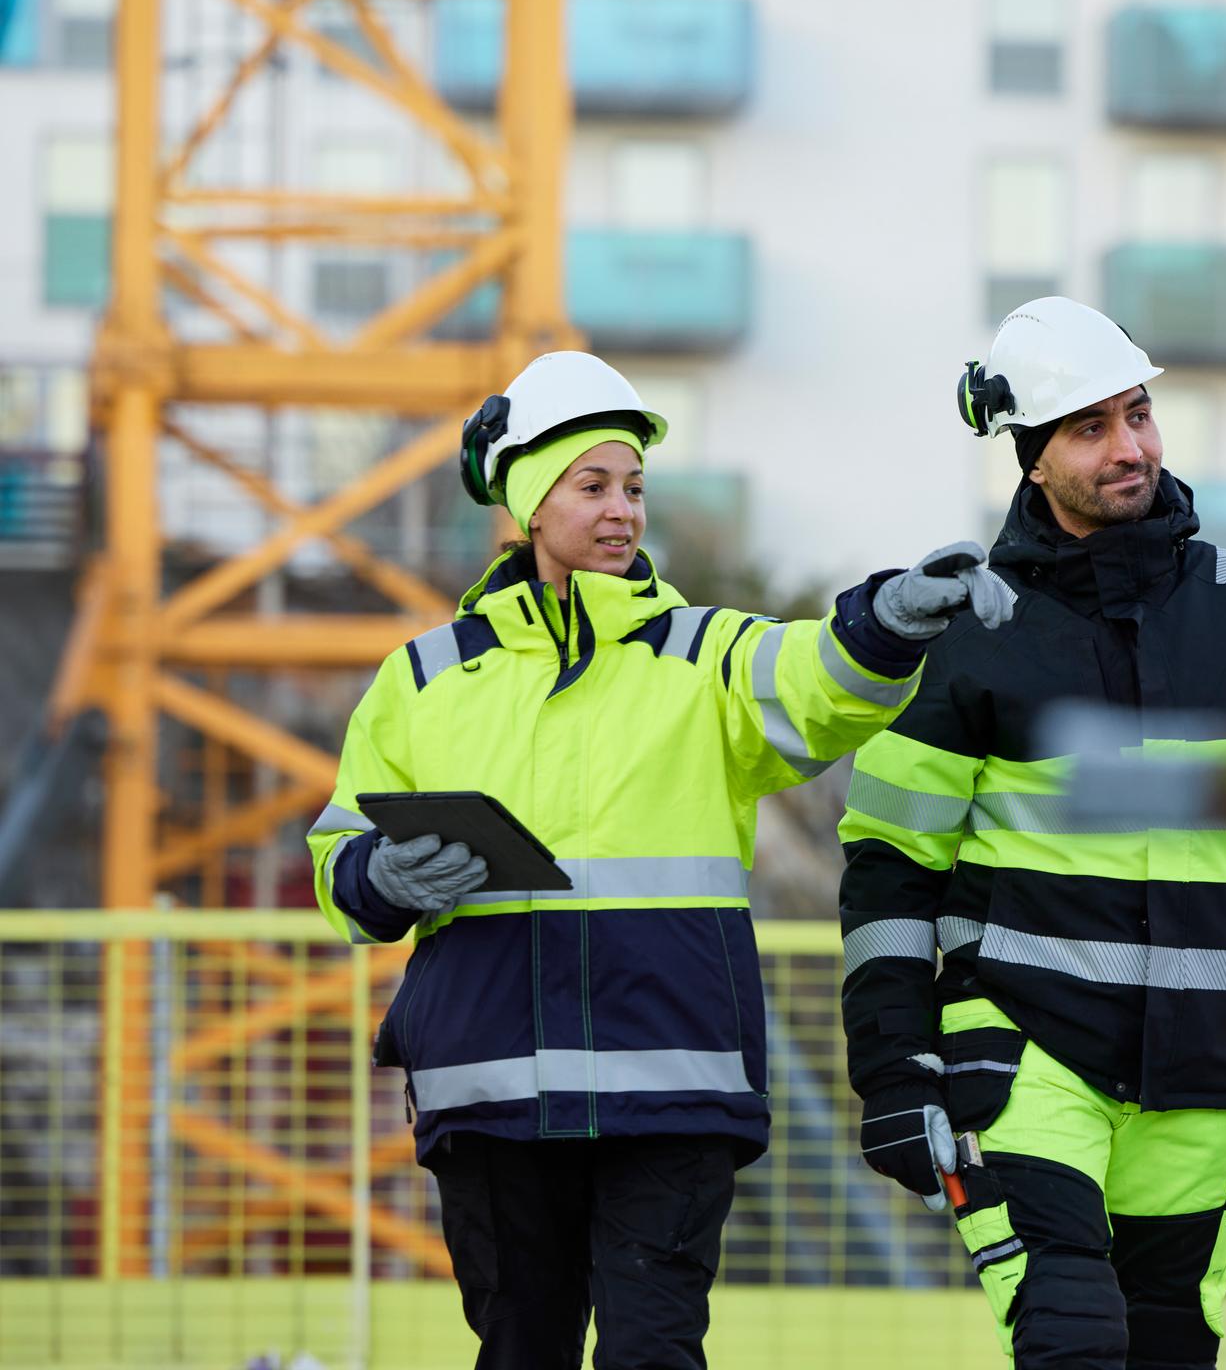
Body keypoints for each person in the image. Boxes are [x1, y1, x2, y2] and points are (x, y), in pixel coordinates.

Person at [307, 349, 1011, 1370]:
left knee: (652, 1352)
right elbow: (340, 850)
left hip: (667, 1090)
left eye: (633, 487)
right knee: (519, 1349)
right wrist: (380, 878)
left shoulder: (704, 653)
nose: (621, 510)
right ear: (527, 499)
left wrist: (886, 618)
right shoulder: (421, 678)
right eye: (592, 485)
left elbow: (813, 676)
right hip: (491, 1095)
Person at [836, 297, 1226, 1369]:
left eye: (1136, 414)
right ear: (1030, 454)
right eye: (1089, 427)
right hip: (1021, 1062)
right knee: (1070, 1340)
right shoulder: (960, 626)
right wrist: (896, 1070)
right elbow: (889, 872)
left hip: (1206, 1074)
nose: (1129, 447)